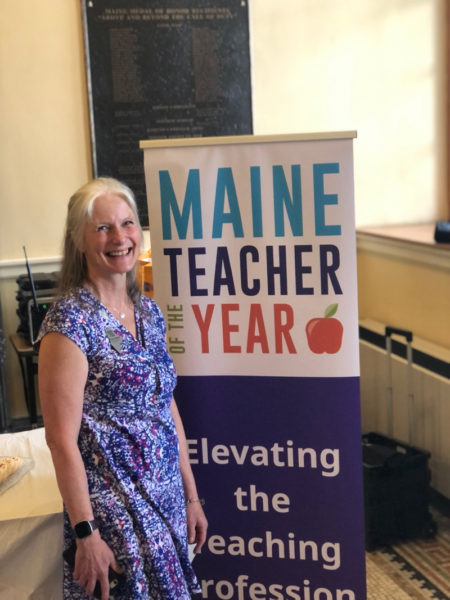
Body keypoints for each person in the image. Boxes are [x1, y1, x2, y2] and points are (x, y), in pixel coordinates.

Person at [37, 177, 207, 600]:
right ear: (79, 239)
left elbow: (167, 407)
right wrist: (85, 533)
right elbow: (60, 440)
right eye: (103, 228)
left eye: (127, 224)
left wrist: (191, 496)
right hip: (114, 510)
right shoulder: (70, 322)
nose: (119, 238)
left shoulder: (149, 312)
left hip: (165, 495)